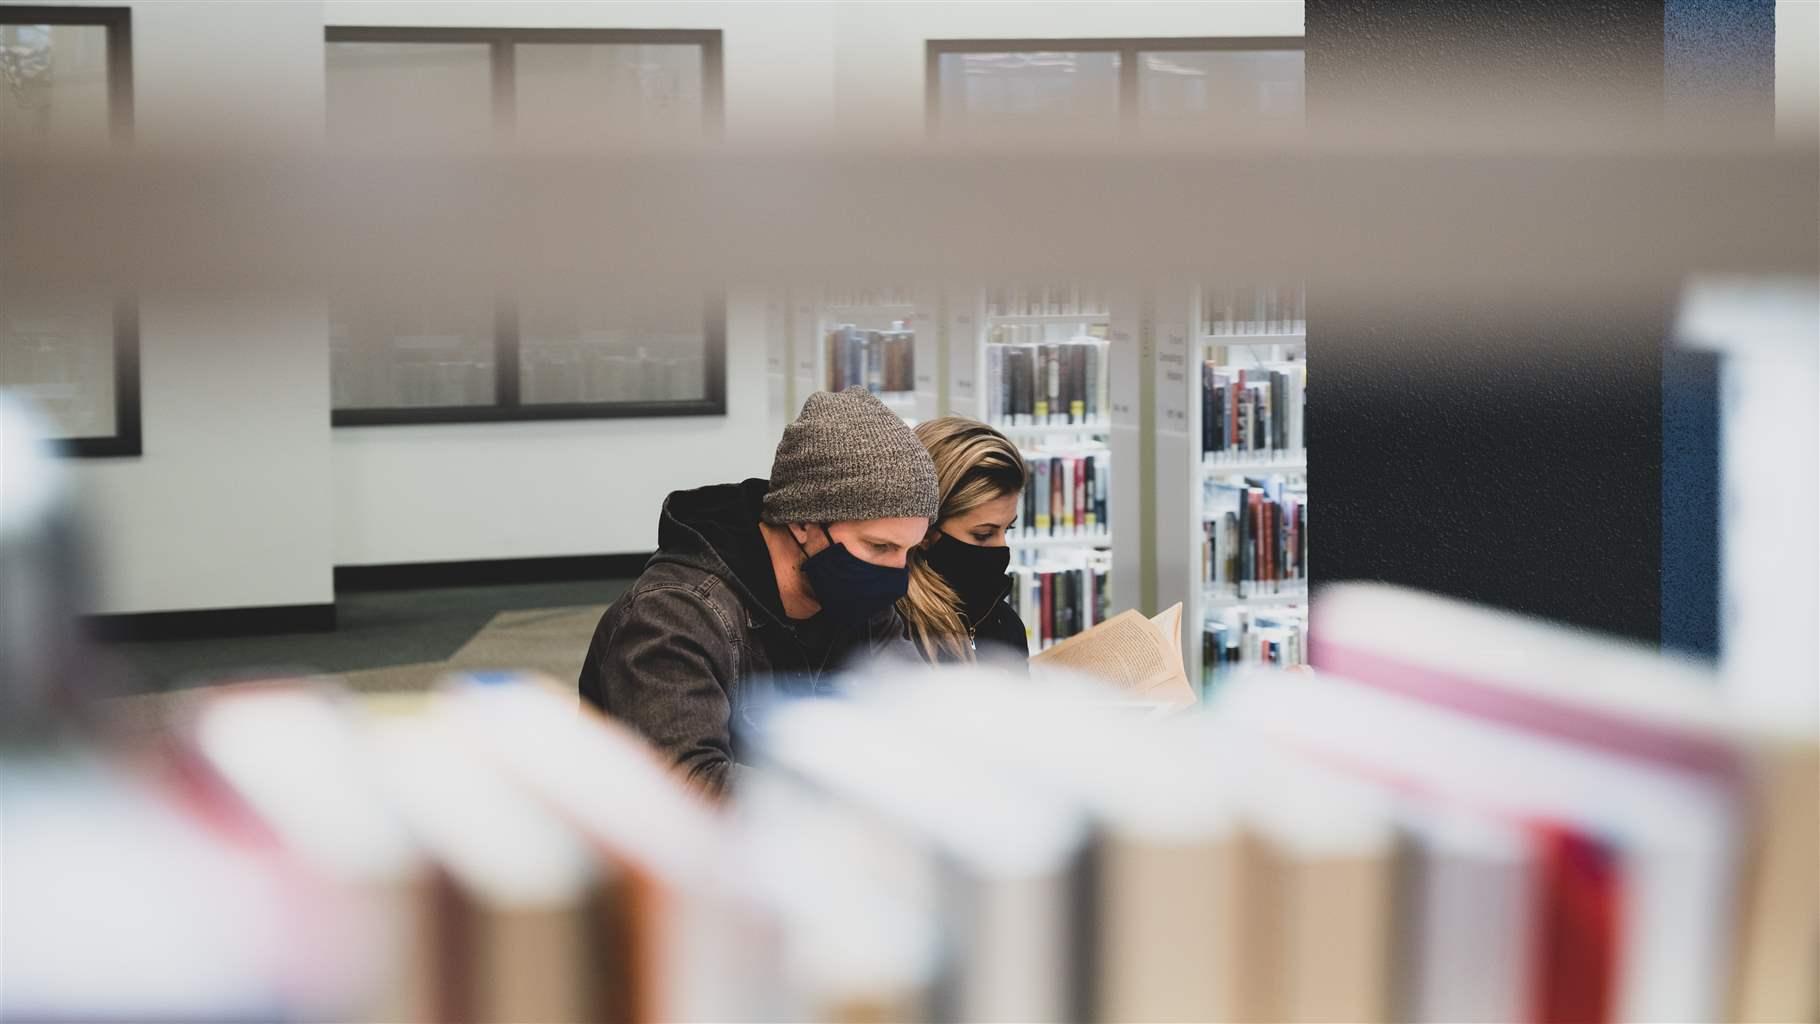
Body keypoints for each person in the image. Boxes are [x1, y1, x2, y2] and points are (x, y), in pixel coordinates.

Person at [579, 387, 938, 798]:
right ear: (802, 522)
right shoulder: (675, 617)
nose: (897, 573)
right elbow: (687, 785)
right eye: (880, 546)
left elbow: (922, 725)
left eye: (910, 551)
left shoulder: (859, 601)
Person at [897, 416, 1032, 666]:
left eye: (1008, 529)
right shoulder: (886, 631)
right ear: (924, 531)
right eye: (983, 534)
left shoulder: (1004, 625)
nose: (1001, 548)